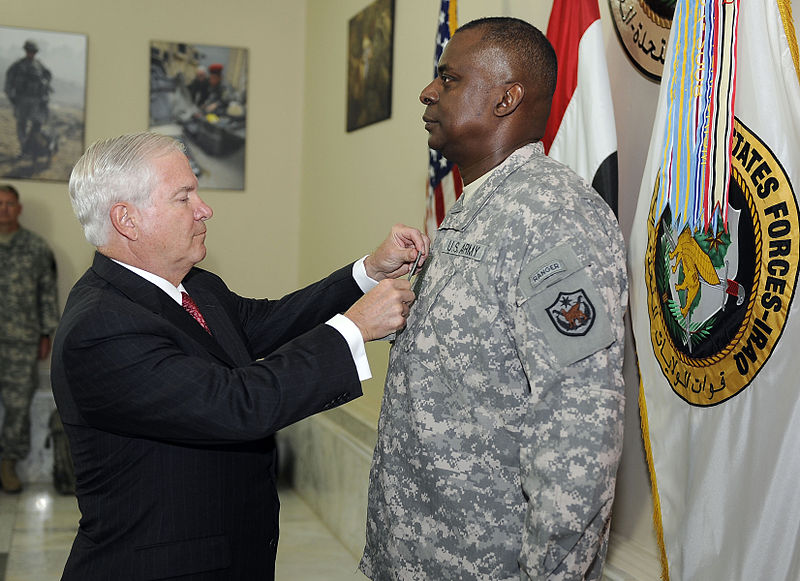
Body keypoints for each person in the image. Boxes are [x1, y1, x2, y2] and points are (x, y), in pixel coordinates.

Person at [51, 132, 428, 580]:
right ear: (127, 220)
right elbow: (235, 405)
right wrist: (355, 327)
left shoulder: (196, 285)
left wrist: (367, 272)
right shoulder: (100, 326)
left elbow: (271, 321)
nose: (204, 208)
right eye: (183, 196)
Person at [360, 17, 628, 581]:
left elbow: (579, 425)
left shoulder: (551, 216)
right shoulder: (477, 208)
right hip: (420, 554)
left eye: (449, 79)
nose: (428, 92)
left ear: (508, 98)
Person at [0, 184, 59, 493]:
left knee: (18, 406)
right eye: (0, 204)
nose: (5, 209)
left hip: (21, 341)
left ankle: (8, 464)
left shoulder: (36, 247)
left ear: (19, 209)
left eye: (10, 204)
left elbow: (47, 292)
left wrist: (47, 333)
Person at [4, 40, 53, 157]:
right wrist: (12, 97)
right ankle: (24, 149)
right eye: (29, 51)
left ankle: (31, 148)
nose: (31, 53)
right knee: (21, 125)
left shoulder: (39, 65)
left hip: (36, 101)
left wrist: (44, 90)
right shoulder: (18, 66)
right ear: (26, 51)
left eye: (33, 51)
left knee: (37, 124)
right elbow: (8, 82)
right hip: (21, 101)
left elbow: (48, 76)